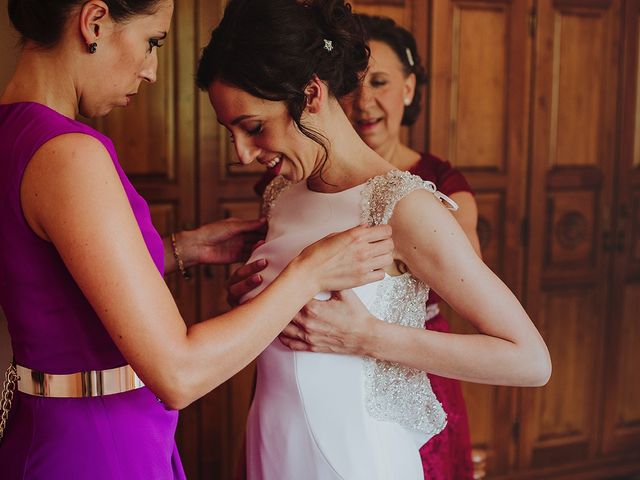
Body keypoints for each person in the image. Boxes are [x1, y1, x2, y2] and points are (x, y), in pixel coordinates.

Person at [0, 1, 394, 478]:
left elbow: (48, 279)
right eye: (152, 42)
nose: (151, 71)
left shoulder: (13, 134)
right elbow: (180, 374)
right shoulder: (69, 155)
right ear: (94, 21)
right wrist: (310, 272)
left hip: (50, 427)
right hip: (101, 445)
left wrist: (184, 248)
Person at [198, 1, 551, 479]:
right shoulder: (280, 195)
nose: (242, 154)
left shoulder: (404, 207)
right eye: (232, 133)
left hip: (355, 457)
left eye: (254, 128)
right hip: (274, 444)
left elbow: (529, 360)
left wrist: (368, 336)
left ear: (311, 93)